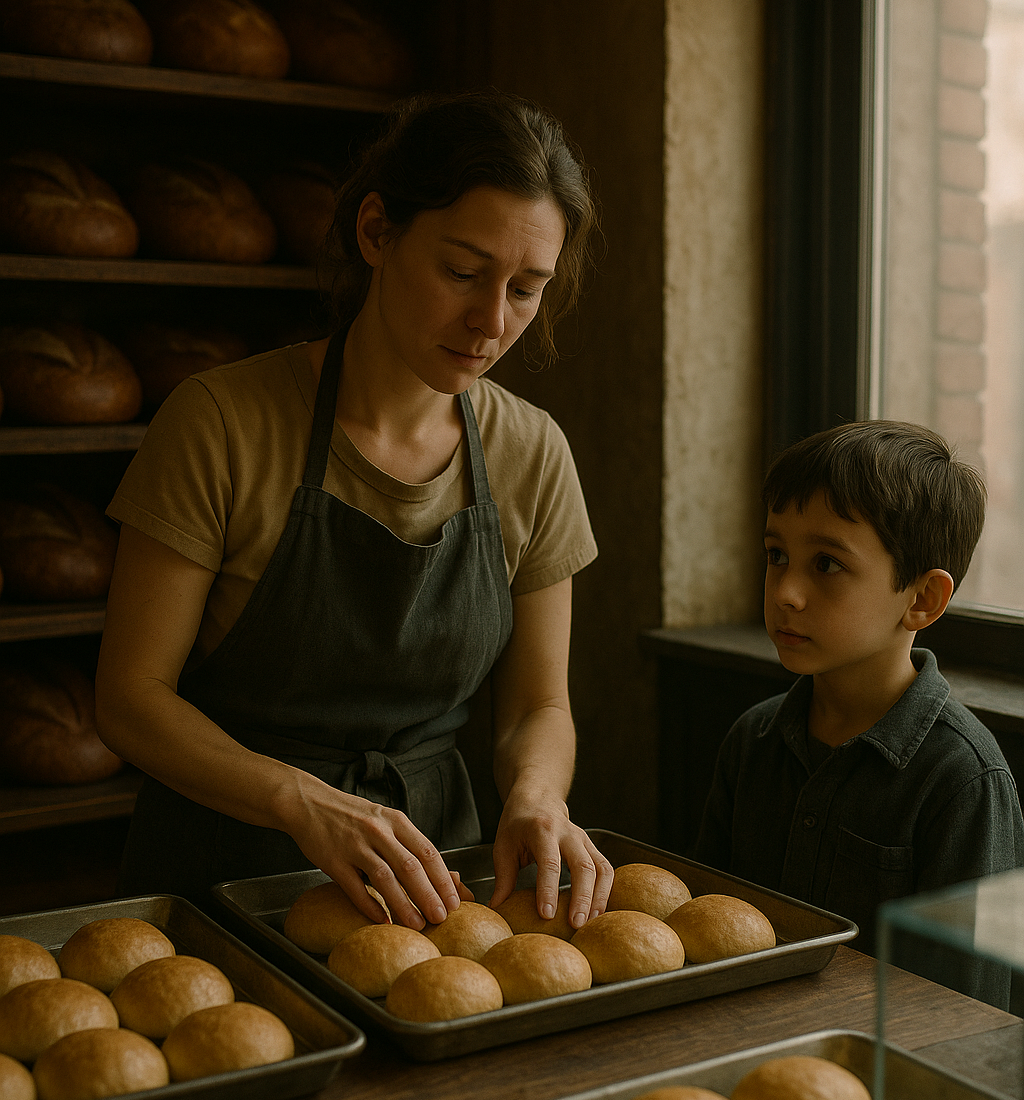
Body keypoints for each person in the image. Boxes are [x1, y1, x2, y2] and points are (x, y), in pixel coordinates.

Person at [95, 90, 615, 932]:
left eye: (526, 289)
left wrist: (536, 795)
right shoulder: (220, 421)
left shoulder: (534, 452)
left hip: (437, 882)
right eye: (461, 271)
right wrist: (301, 800)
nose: (491, 324)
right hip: (223, 880)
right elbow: (129, 699)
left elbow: (535, 711)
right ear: (377, 231)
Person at [694, 421, 1024, 994]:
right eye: (776, 555)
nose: (785, 592)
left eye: (826, 564)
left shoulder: (962, 777)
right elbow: (703, 929)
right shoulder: (754, 739)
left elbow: (970, 1006)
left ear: (922, 599)